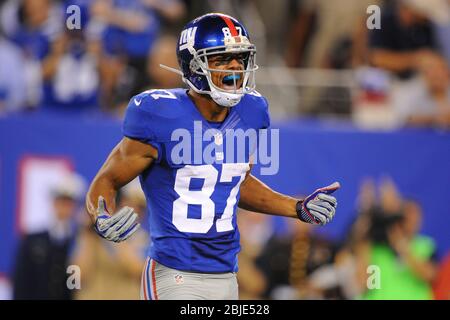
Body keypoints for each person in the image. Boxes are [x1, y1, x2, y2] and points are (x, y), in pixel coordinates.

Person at [85, 13, 340, 300]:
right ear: (194, 65)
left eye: (240, 58)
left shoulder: (252, 111)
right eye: (221, 59)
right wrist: (101, 214)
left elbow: (235, 182)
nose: (234, 67)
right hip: (174, 275)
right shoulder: (158, 115)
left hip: (226, 276)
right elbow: (107, 178)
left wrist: (296, 208)